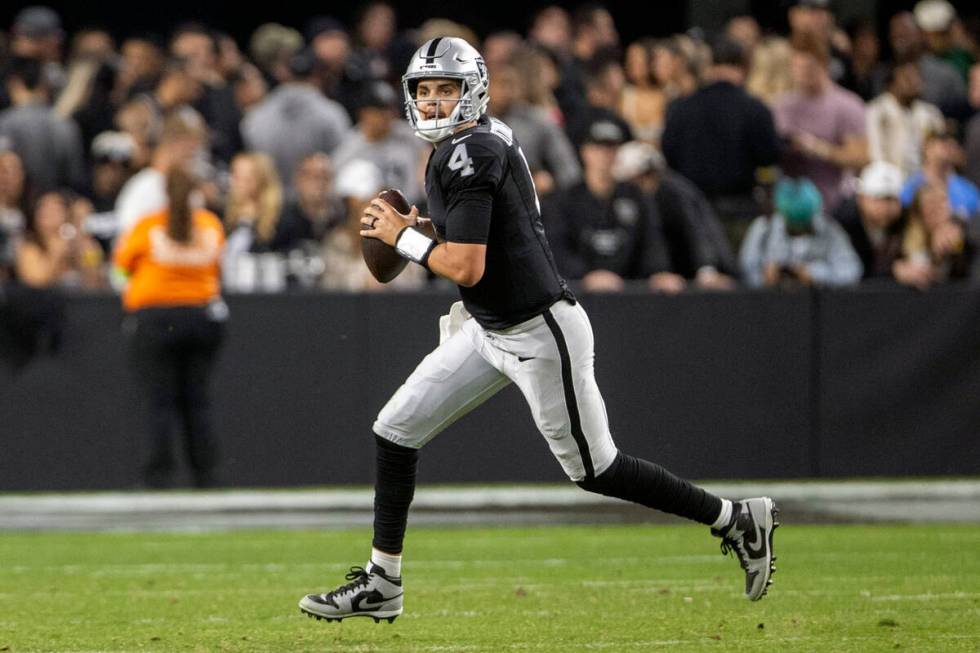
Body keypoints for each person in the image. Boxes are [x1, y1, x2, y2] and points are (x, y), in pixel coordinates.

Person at [298, 36, 779, 625]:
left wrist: (405, 237)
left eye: (445, 89)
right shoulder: (475, 141)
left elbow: (466, 265)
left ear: (471, 91)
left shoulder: (466, 154)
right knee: (395, 431)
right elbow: (490, 238)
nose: (431, 103)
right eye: (423, 91)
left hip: (537, 331)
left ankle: (735, 518)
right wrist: (424, 229)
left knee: (595, 469)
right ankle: (383, 583)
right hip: (487, 325)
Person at [112, 165, 227, 488]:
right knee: (197, 400)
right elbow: (218, 267)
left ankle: (158, 477)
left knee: (156, 402)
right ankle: (206, 476)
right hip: (201, 318)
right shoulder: (209, 225)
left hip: (155, 319)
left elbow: (120, 269)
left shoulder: (148, 226)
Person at [739, 176, 863, 288]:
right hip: (770, 304)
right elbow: (745, 272)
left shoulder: (829, 229)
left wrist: (813, 273)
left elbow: (852, 271)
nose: (799, 228)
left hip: (820, 304)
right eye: (793, 222)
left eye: (804, 223)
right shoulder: (764, 228)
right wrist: (764, 278)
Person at [835, 161, 908, 280]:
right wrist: (892, 272)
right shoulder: (845, 222)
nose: (886, 207)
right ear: (862, 198)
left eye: (892, 199)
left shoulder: (904, 220)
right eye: (879, 199)